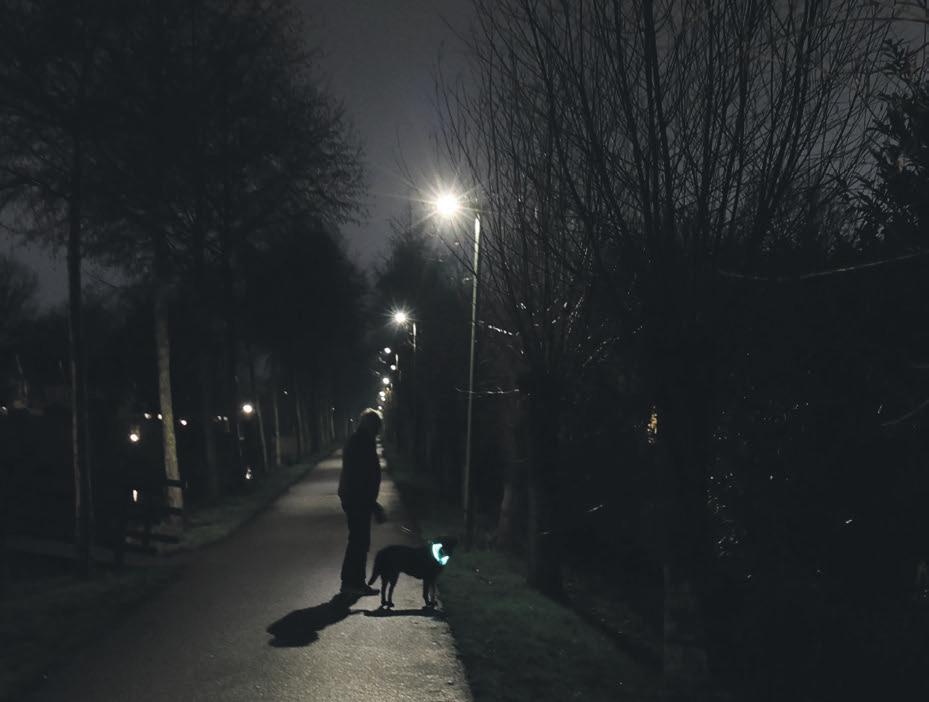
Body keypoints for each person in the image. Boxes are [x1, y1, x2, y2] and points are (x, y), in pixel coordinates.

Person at [338, 408, 384, 595]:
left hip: (355, 497)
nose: (378, 431)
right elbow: (362, 476)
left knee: (358, 540)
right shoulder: (362, 442)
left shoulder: (359, 440)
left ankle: (353, 581)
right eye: (377, 427)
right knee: (359, 540)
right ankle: (353, 582)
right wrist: (372, 504)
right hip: (357, 498)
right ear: (371, 425)